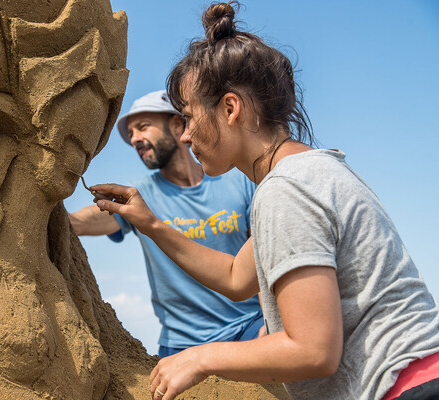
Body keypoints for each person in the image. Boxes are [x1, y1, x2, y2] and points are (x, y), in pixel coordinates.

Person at [90, 2, 439, 400]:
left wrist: (200, 358)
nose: (185, 137)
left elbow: (313, 350)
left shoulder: (285, 189)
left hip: (406, 388)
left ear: (230, 108)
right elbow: (237, 279)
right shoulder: (310, 172)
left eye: (188, 117)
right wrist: (150, 223)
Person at [70, 89, 263, 358]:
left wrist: (272, 328)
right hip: (180, 345)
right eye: (131, 135)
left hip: (249, 330)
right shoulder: (141, 197)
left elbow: (266, 260)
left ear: (176, 124)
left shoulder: (239, 180)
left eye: (143, 127)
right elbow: (94, 217)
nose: (135, 139)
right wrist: (65, 219)